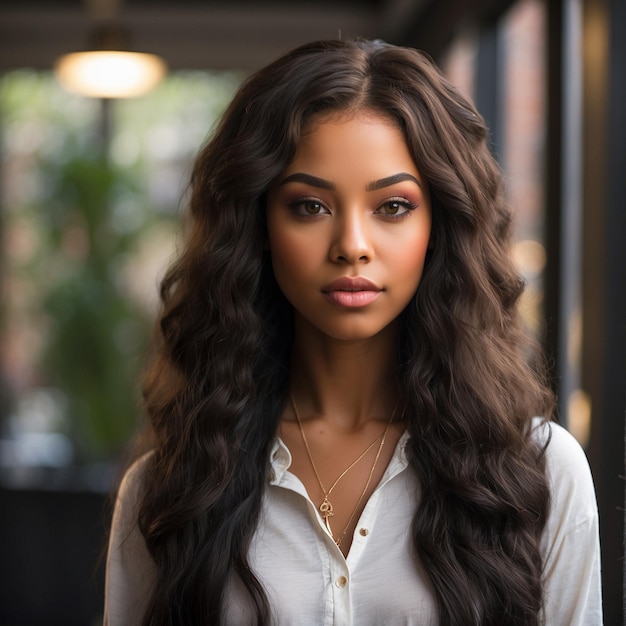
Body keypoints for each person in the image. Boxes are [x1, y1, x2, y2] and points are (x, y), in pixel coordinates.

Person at [104, 39, 602, 625]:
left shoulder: (541, 472)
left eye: (392, 207)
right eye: (310, 206)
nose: (352, 247)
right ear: (258, 224)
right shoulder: (170, 488)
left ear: (439, 225)